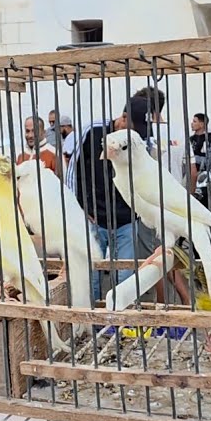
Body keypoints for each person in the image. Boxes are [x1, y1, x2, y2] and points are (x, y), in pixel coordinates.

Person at [69, 94, 153, 303]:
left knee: (125, 278)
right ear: (123, 118)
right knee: (92, 275)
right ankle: (92, 327)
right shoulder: (93, 130)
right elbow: (73, 170)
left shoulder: (140, 141)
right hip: (93, 217)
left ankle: (120, 326)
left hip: (126, 220)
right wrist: (78, 208)